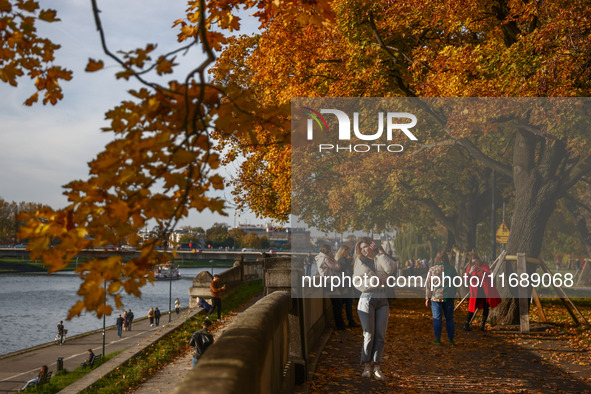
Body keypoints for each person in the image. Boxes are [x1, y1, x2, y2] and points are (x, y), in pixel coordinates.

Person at [353, 238, 396, 381]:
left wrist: (379, 252)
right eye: (362, 248)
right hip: (367, 299)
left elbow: (391, 269)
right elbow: (357, 282)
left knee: (380, 335)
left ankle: (377, 367)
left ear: (372, 246)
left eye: (366, 247)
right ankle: (366, 366)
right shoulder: (359, 262)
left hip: (382, 300)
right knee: (369, 334)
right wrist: (374, 282)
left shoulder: (379, 258)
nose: (364, 250)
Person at [425, 250, 459, 345]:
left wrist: (427, 297)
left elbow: (428, 284)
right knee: (449, 318)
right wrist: (453, 292)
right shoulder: (452, 269)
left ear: (437, 258)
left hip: (436, 297)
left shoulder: (432, 269)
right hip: (449, 297)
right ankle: (451, 339)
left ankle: (437, 339)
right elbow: (456, 282)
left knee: (437, 318)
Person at [464, 250, 502, 331]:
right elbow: (466, 279)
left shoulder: (484, 265)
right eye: (473, 262)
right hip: (475, 290)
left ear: (479, 260)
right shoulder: (469, 268)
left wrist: (481, 269)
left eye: (476, 262)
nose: (475, 264)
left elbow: (488, 274)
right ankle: (466, 324)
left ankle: (482, 325)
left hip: (485, 290)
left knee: (486, 306)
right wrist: (470, 272)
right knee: (472, 306)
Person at [316, 244, 345, 330]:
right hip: (330, 283)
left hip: (327, 282)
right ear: (328, 251)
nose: (332, 252)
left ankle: (340, 324)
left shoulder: (319, 258)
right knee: (337, 305)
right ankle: (340, 325)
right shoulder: (326, 259)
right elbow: (337, 267)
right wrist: (334, 259)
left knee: (337, 304)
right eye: (330, 251)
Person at [335, 245, 358, 328]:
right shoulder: (344, 260)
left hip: (343, 284)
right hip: (346, 284)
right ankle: (350, 321)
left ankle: (348, 321)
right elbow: (349, 271)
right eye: (348, 250)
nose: (349, 252)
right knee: (348, 304)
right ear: (344, 251)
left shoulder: (340, 260)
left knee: (344, 304)